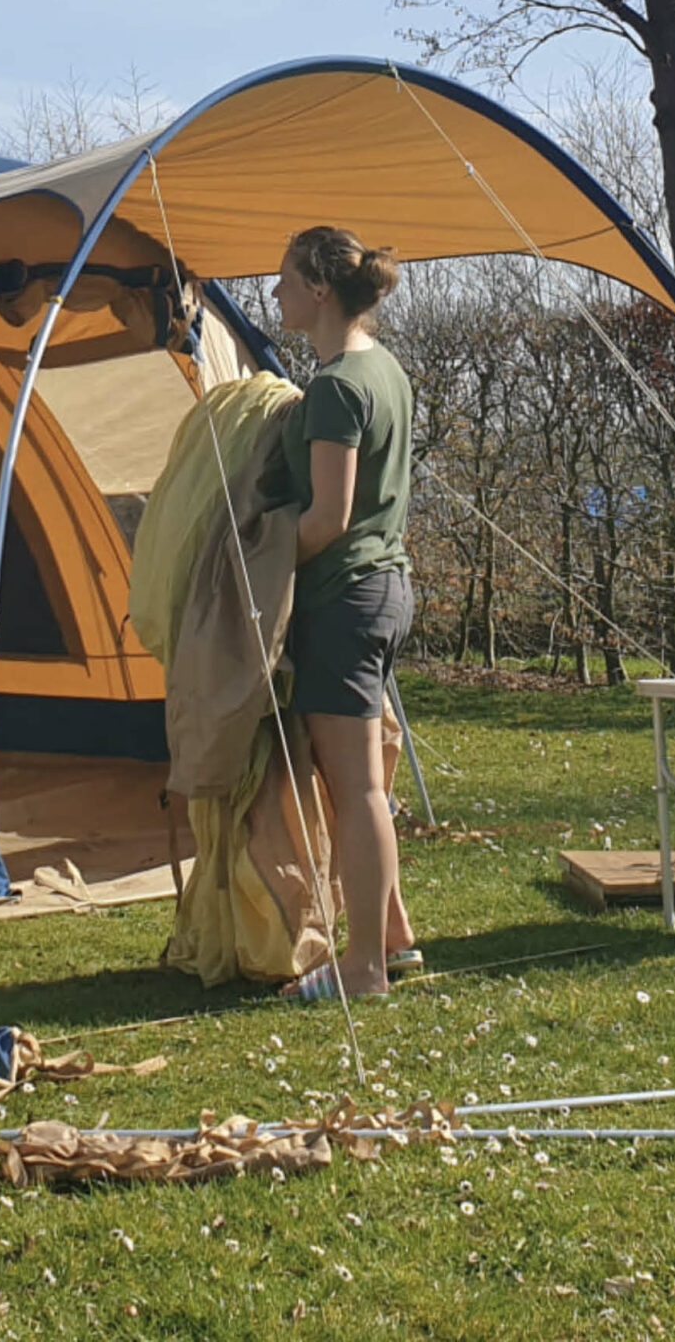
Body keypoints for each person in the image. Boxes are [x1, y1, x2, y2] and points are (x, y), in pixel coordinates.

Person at [268, 224, 419, 1002]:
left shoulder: (334, 388)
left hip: (344, 599)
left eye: (286, 279)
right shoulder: (382, 367)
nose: (275, 293)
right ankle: (392, 936)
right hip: (383, 590)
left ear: (320, 290)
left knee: (356, 791)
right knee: (358, 785)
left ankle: (365, 969)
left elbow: (327, 518)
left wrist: (252, 562)